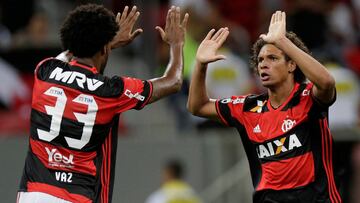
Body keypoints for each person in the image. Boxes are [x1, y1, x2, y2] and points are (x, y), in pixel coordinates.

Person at [17, 4, 188, 203]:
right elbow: (173, 81)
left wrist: (105, 42)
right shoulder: (110, 91)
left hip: (33, 193)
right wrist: (176, 45)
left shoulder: (44, 70)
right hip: (78, 197)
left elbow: (68, 54)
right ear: (104, 49)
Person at [187, 11, 342, 203]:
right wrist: (200, 64)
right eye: (260, 60)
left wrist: (282, 41)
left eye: (272, 58)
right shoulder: (247, 107)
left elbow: (327, 83)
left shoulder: (308, 97)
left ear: (292, 65)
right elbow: (197, 106)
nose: (263, 65)